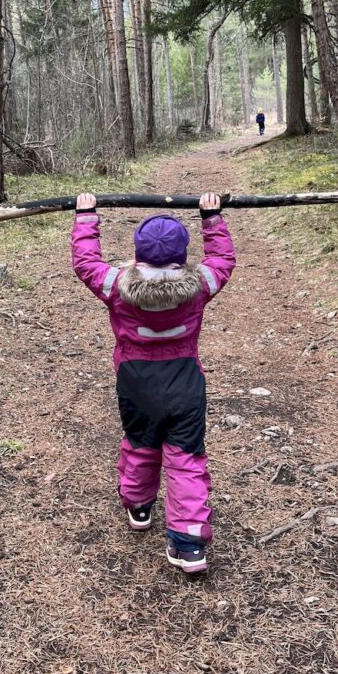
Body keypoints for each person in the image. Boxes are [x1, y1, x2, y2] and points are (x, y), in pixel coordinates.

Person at [72, 192, 236, 575]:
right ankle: (188, 544)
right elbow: (223, 260)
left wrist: (85, 216)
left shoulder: (116, 286)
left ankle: (139, 505)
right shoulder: (199, 285)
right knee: (186, 458)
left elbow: (85, 262)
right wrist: (212, 218)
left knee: (140, 443)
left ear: (138, 253)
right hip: (185, 382)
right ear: (183, 255)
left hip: (136, 382)